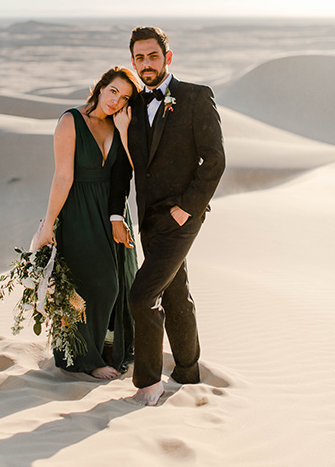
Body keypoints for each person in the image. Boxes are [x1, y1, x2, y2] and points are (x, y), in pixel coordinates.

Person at [110, 26, 225, 405]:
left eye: (152, 56)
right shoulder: (132, 109)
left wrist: (186, 208)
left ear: (168, 58)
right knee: (176, 292)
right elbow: (129, 168)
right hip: (149, 220)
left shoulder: (194, 97)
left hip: (182, 218)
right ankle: (188, 372)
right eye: (139, 58)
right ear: (132, 62)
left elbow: (215, 160)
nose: (146, 64)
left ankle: (148, 383)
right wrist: (117, 213)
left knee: (142, 296)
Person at [31, 66, 141, 379]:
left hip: (114, 211)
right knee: (99, 284)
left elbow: (134, 167)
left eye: (124, 98)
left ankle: (112, 349)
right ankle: (85, 359)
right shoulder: (71, 121)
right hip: (80, 209)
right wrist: (48, 223)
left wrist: (123, 131)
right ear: (101, 87)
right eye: (113, 91)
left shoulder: (121, 123)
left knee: (124, 282)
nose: (116, 101)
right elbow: (63, 176)